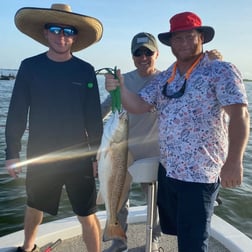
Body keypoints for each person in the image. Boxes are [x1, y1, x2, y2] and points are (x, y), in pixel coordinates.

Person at [105, 12, 250, 252]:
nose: (183, 43)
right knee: (177, 232)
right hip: (169, 170)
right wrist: (119, 87)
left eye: (189, 37)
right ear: (170, 43)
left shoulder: (221, 70)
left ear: (201, 37)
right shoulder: (165, 77)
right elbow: (139, 106)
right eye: (177, 38)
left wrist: (234, 161)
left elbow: (240, 116)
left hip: (200, 175)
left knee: (192, 243)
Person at [5, 4, 103, 252]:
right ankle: (27, 247)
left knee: (87, 213)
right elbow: (17, 113)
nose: (62, 35)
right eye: (56, 29)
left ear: (75, 36)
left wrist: (95, 156)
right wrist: (12, 153)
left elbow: (93, 119)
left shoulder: (86, 70)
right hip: (41, 153)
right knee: (34, 204)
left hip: (79, 157)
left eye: (68, 30)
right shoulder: (29, 67)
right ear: (45, 33)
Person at [102, 32, 162, 252]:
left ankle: (154, 240)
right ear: (132, 56)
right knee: (118, 199)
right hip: (123, 151)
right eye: (138, 53)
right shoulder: (123, 80)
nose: (143, 57)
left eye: (148, 52)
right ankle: (119, 241)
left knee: (156, 202)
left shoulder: (166, 79)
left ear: (157, 53)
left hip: (155, 152)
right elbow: (105, 108)